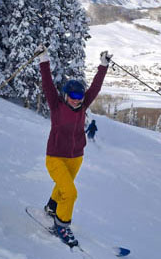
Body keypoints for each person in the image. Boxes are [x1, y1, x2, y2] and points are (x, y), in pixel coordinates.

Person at [38, 46, 112, 247]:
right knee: (70, 193)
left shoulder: (83, 106)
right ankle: (61, 225)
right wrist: (44, 59)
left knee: (63, 187)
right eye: (73, 96)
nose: (77, 100)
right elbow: (47, 84)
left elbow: (95, 88)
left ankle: (52, 208)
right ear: (65, 95)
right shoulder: (56, 106)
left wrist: (103, 66)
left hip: (76, 157)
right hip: (55, 157)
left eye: (80, 97)